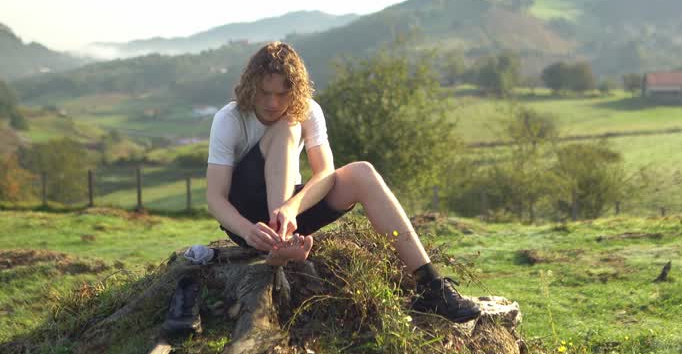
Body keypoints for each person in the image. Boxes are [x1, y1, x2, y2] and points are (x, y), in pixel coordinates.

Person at [167, 41, 480, 333]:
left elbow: (325, 173)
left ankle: (431, 286)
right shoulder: (230, 118)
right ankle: (280, 246)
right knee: (286, 128)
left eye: (283, 94)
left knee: (362, 173)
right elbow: (216, 198)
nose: (273, 103)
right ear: (251, 87)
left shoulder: (308, 109)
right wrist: (248, 231)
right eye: (264, 92)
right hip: (248, 220)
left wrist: (292, 207)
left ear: (296, 90)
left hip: (290, 212)